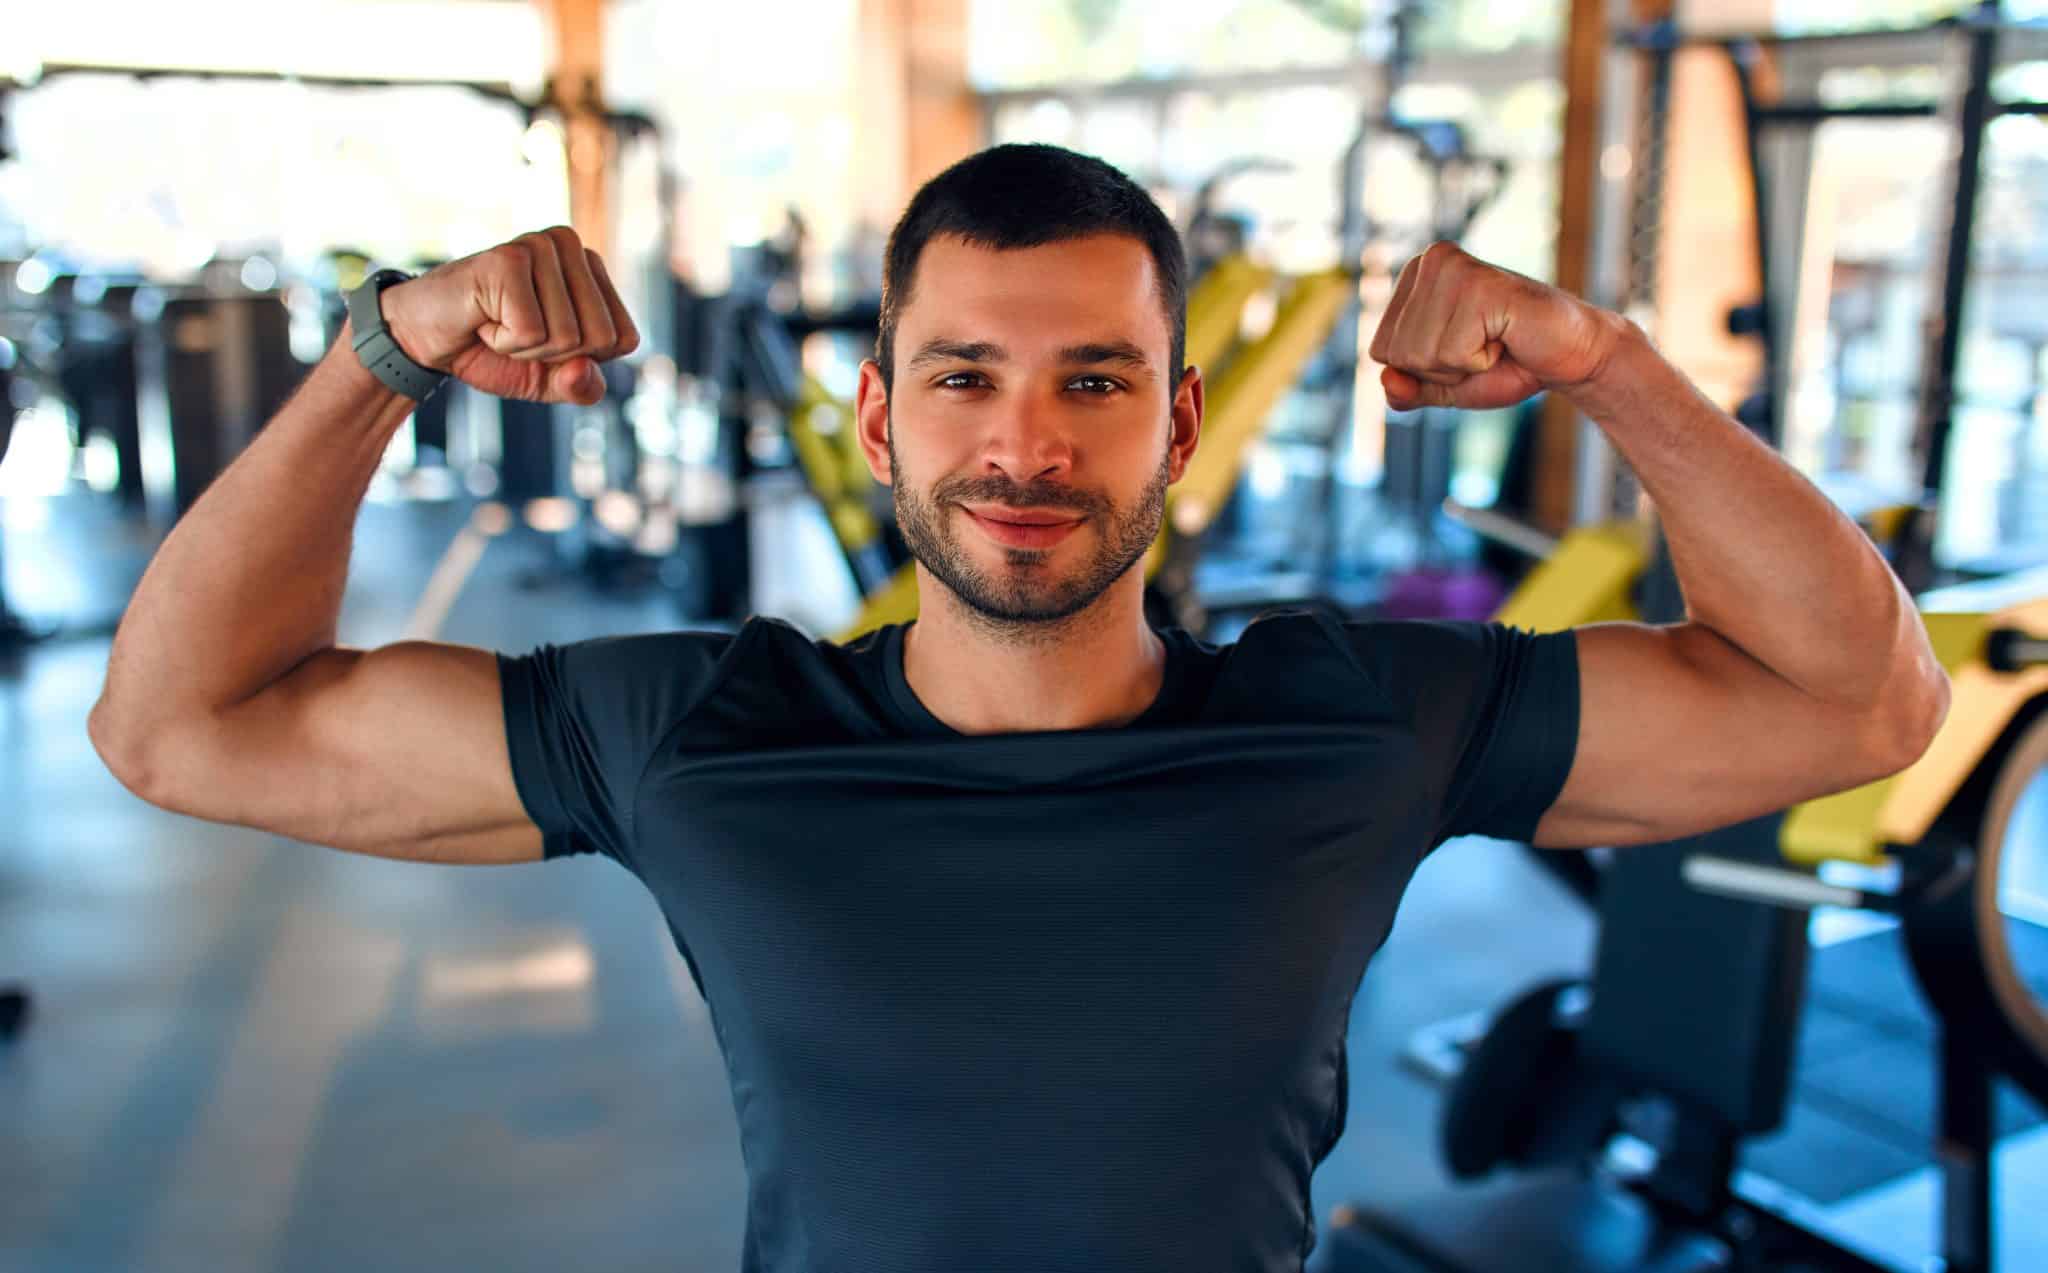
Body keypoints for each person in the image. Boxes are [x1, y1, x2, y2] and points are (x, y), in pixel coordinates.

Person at [88, 144, 1948, 1272]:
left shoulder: (1362, 714)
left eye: (1095, 379)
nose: (1027, 443)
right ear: (883, 416)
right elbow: (181, 726)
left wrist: (1610, 366)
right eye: (964, 374)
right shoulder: (700, 733)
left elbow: (1861, 704)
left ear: (1182, 421)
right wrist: (384, 350)